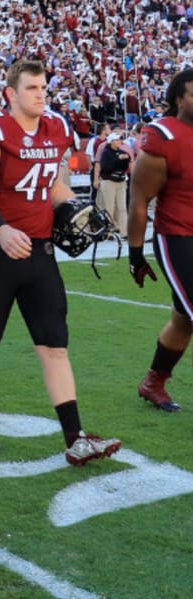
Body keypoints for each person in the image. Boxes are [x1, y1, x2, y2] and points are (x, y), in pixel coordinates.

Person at [0, 60, 122, 465]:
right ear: (11, 93)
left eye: (43, 86)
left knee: (54, 346)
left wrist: (78, 209)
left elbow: (53, 185)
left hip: (41, 251)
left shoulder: (57, 128)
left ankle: (75, 437)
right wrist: (3, 230)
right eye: (32, 87)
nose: (41, 94)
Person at [127, 69, 193, 413]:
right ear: (178, 99)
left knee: (184, 319)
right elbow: (139, 201)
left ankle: (153, 382)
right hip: (179, 236)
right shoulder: (163, 135)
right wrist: (135, 254)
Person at [97, 133, 131, 237]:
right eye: (116, 140)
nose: (119, 142)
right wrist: (117, 159)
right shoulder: (106, 153)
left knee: (122, 207)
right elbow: (106, 168)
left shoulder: (122, 152)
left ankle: (124, 231)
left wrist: (126, 159)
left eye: (119, 140)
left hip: (120, 181)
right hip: (109, 182)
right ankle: (109, 231)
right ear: (111, 141)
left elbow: (124, 167)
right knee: (109, 207)